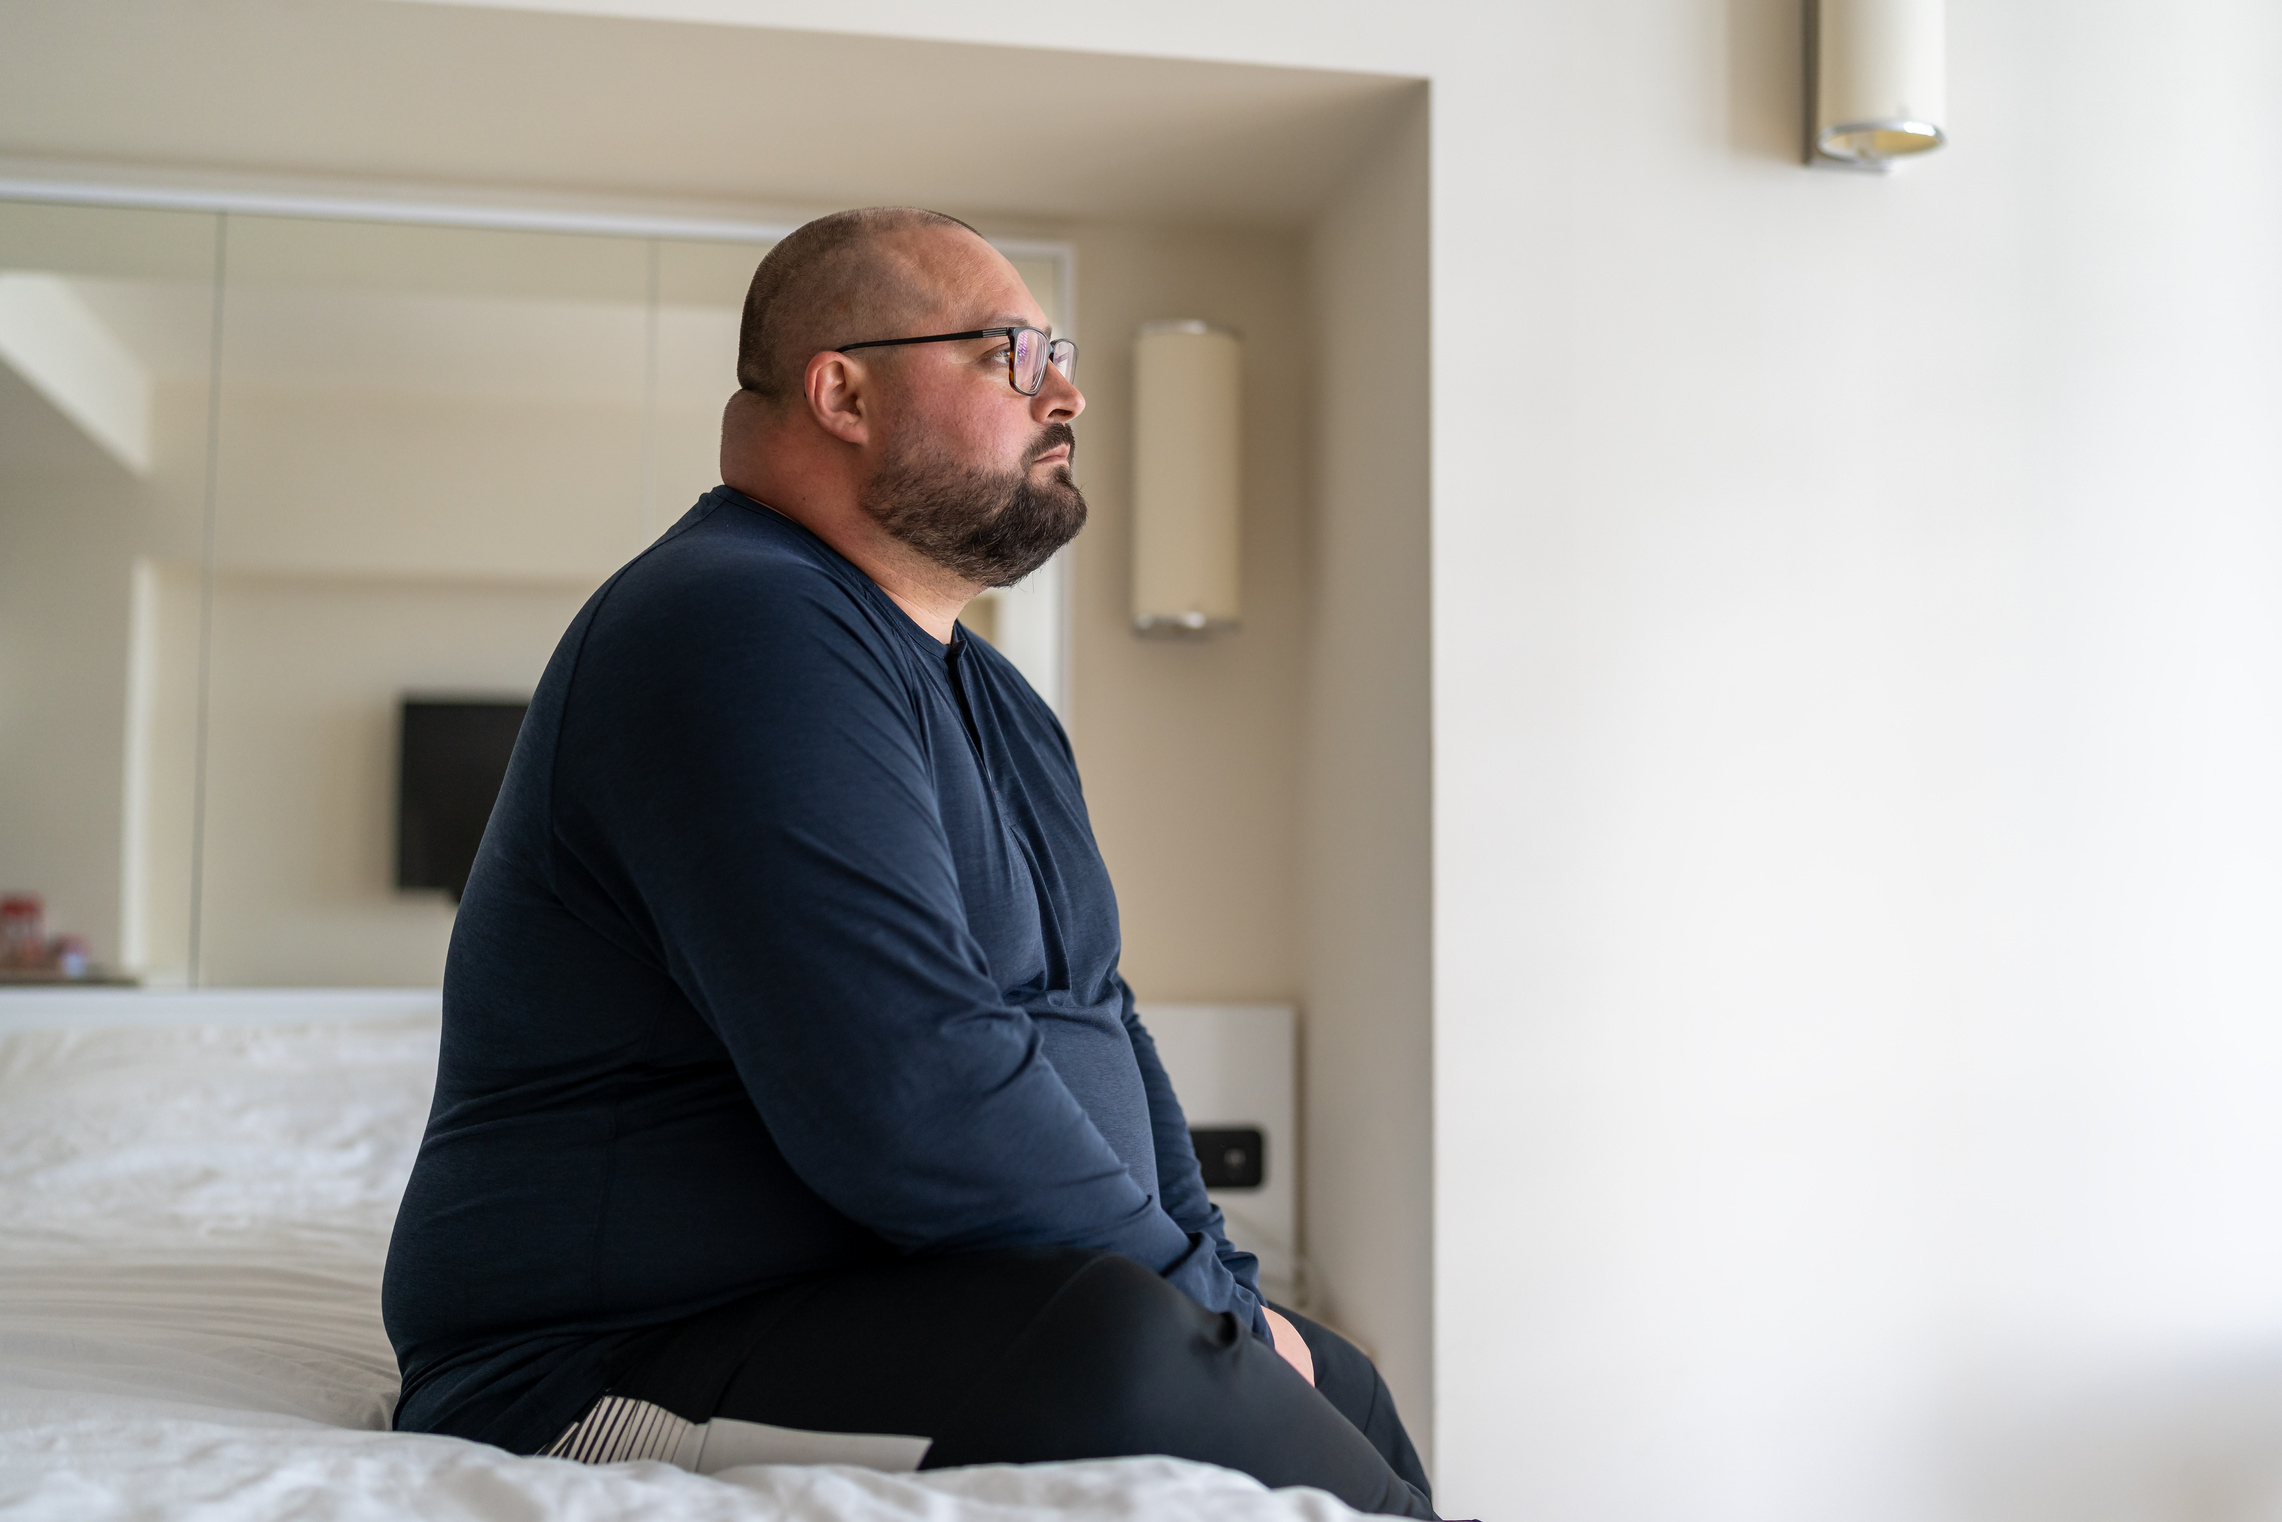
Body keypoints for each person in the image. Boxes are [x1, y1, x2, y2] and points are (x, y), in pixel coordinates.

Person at [380, 207, 1435, 1518]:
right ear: (844, 392)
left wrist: (1222, 1290)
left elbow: (1101, 1020)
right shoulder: (730, 621)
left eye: (1058, 356)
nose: (1067, 393)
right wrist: (1190, 1312)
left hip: (877, 1299)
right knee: (1130, 1348)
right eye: (1012, 354)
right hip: (603, 1360)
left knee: (1337, 1377)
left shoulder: (997, 698)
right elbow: (908, 1083)